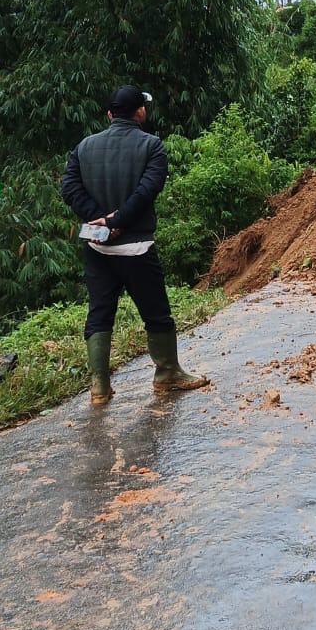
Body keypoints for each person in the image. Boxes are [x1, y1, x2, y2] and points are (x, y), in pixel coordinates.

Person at [60, 85, 207, 406]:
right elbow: (146, 191)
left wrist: (99, 220)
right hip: (136, 246)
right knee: (156, 312)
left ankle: (99, 386)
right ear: (140, 111)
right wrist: (117, 222)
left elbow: (69, 188)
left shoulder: (84, 146)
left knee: (100, 312)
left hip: (97, 245)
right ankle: (167, 373)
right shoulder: (152, 146)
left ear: (109, 115)